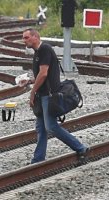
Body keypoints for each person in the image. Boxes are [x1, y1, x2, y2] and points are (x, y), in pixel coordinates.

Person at [22, 28, 89, 164]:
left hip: (49, 95)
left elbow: (44, 73)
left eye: (26, 37)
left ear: (35, 37)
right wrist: (29, 81)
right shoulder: (37, 54)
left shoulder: (45, 49)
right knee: (41, 128)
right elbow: (41, 76)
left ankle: (81, 148)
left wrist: (32, 92)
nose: (24, 40)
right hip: (42, 96)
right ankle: (38, 159)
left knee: (51, 126)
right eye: (23, 38)